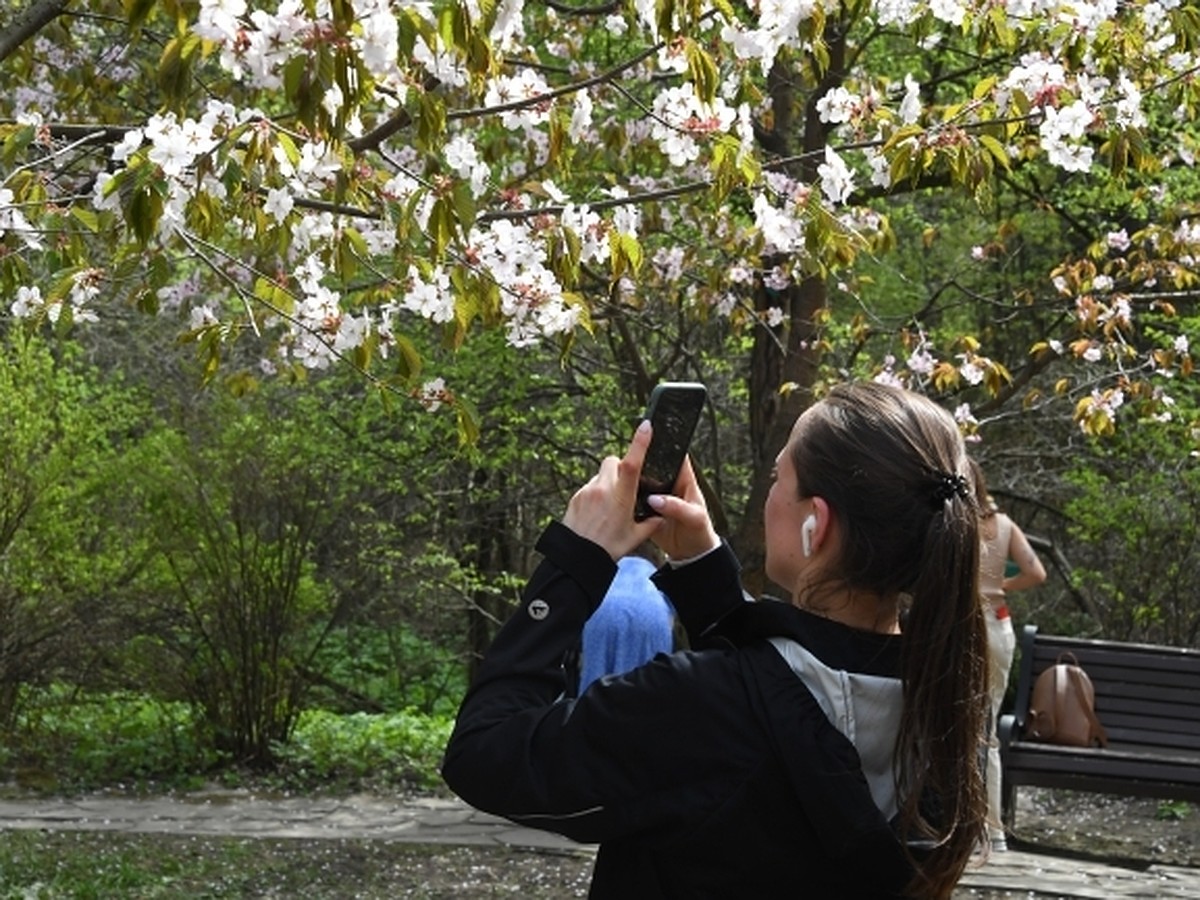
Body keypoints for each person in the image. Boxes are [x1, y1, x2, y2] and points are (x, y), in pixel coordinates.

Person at [442, 381, 989, 900]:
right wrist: (701, 567)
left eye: (779, 479)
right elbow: (791, 708)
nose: (771, 493)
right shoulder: (945, 703)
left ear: (814, 525)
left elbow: (486, 753)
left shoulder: (704, 703)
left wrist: (576, 561)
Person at [967, 458, 1047, 853]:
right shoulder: (1004, 525)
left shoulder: (956, 523)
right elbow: (1037, 572)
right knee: (988, 727)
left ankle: (966, 825)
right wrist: (1001, 584)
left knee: (959, 722)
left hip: (966, 624)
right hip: (998, 623)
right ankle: (992, 830)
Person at [578, 544, 676, 694]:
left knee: (594, 686)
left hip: (603, 611)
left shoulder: (604, 571)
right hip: (653, 614)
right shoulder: (657, 577)